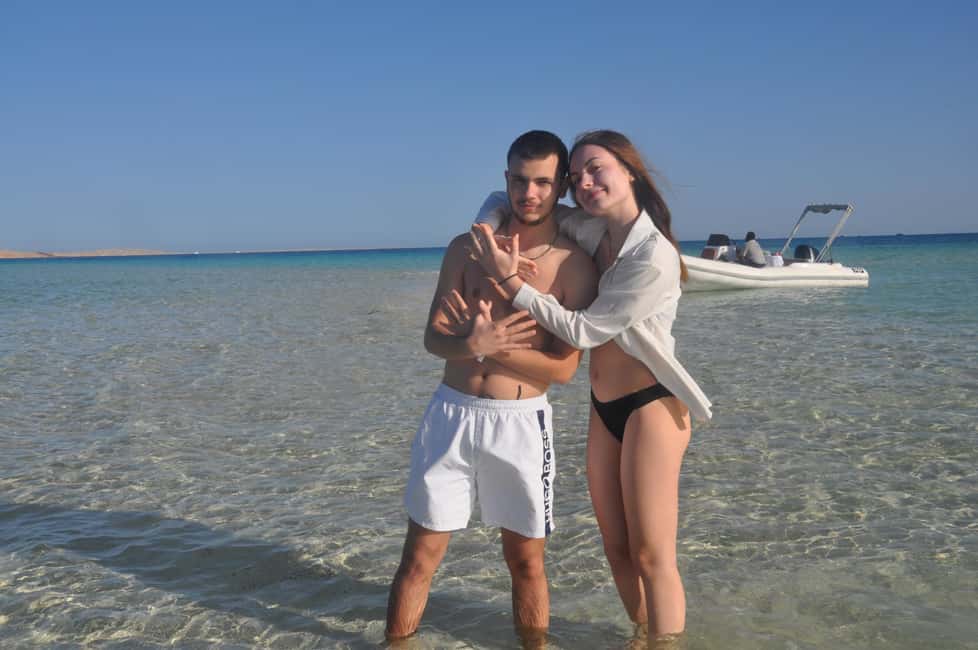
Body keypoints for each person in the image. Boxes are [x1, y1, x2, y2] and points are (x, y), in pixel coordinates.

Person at [469, 130, 712, 640]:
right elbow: (501, 199)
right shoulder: (591, 230)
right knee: (616, 549)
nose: (584, 183)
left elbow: (583, 330)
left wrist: (511, 282)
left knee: (652, 555)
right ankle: (642, 635)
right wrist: (487, 234)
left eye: (596, 169)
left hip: (651, 405)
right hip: (605, 407)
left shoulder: (654, 256)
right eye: (576, 176)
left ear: (630, 171)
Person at [385, 130, 597, 642]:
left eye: (542, 182)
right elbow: (434, 339)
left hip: (520, 423)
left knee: (525, 561)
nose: (530, 193)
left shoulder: (572, 266)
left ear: (561, 187)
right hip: (451, 415)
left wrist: (492, 347)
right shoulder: (465, 249)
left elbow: (563, 371)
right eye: (520, 181)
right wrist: (468, 344)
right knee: (419, 557)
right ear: (506, 180)